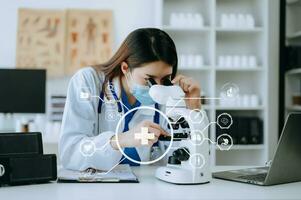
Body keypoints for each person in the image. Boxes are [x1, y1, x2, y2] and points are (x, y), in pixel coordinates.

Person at [59, 28, 203, 171]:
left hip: (147, 186)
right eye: (149, 80)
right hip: (96, 187)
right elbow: (70, 153)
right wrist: (122, 139)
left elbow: (185, 161)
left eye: (165, 79)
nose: (157, 88)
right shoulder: (87, 81)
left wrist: (193, 110)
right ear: (125, 68)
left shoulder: (169, 97)